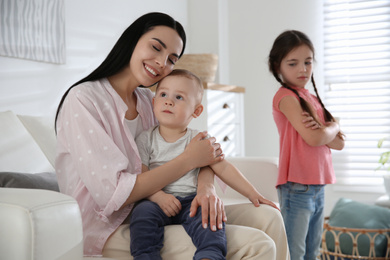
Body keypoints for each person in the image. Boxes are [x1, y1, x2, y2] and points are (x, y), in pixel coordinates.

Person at [55, 12, 289, 260]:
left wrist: (206, 188)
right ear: (132, 40)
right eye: (155, 47)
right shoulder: (84, 99)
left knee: (269, 217)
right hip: (109, 226)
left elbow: (197, 153)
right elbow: (114, 192)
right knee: (258, 244)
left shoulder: (150, 101)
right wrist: (189, 161)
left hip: (171, 206)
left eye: (171, 59)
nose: (161, 62)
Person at [131, 69, 279, 259]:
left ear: (197, 110)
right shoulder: (145, 139)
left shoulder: (200, 139)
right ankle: (145, 256)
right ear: (154, 103)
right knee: (142, 215)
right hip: (156, 201)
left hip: (191, 201)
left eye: (179, 97)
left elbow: (224, 167)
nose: (169, 101)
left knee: (210, 216)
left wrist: (253, 194)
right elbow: (142, 177)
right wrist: (159, 197)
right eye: (163, 94)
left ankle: (209, 254)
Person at [268, 30, 345, 260]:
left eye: (308, 62)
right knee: (296, 252)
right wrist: (333, 126)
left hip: (317, 185)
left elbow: (339, 144)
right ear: (277, 66)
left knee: (313, 251)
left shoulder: (309, 97)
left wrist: (326, 131)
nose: (303, 69)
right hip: (297, 186)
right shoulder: (286, 97)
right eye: (293, 63)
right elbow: (314, 139)